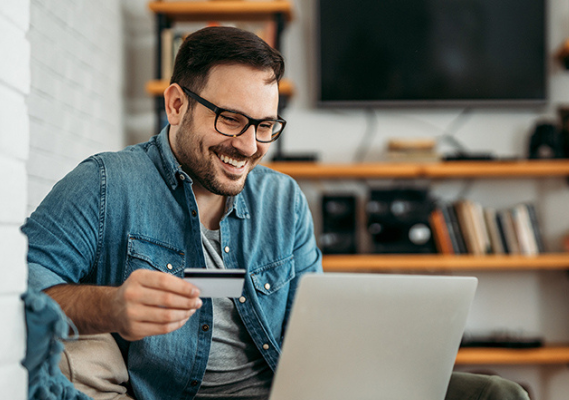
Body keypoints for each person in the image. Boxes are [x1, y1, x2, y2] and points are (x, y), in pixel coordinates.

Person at [22, 26, 529, 400]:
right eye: (231, 119)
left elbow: (318, 323)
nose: (248, 145)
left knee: (496, 395)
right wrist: (111, 307)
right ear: (176, 104)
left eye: (265, 126)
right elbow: (18, 289)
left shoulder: (284, 201)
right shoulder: (107, 183)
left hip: (296, 390)